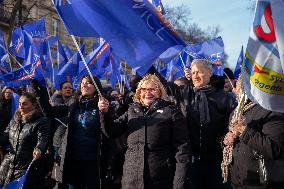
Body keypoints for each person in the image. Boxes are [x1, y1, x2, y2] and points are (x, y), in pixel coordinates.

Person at [149, 59, 236, 189]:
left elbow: (233, 123)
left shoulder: (225, 98)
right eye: (193, 72)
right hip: (191, 160)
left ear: (209, 73)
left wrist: (229, 135)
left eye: (199, 72)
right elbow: (163, 83)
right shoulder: (184, 93)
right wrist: (148, 64)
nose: (195, 75)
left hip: (217, 160)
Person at [99, 74, 191, 189]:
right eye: (144, 89)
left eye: (152, 89)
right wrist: (105, 113)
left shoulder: (172, 112)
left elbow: (182, 150)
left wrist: (179, 183)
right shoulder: (132, 110)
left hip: (160, 180)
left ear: (160, 92)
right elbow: (111, 131)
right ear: (139, 92)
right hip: (131, 180)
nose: (148, 92)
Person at [31, 75, 107, 189]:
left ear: (96, 87)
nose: (84, 85)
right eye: (83, 82)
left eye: (89, 83)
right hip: (73, 160)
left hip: (93, 162)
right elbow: (49, 112)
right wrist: (39, 89)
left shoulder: (103, 105)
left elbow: (109, 131)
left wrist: (105, 112)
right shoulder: (73, 104)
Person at [223, 77, 284, 189]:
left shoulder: (271, 110)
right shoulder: (236, 113)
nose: (234, 91)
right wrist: (226, 140)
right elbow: (232, 142)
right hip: (238, 182)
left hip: (261, 183)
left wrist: (244, 130)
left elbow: (274, 149)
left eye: (237, 87)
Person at [0, 92, 50, 189]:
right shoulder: (14, 120)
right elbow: (5, 137)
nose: (21, 106)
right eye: (19, 103)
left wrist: (39, 149)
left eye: (25, 103)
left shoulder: (41, 121)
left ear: (34, 105)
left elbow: (43, 139)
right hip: (7, 165)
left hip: (26, 168)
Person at [50, 81, 75, 189]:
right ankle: (57, 184)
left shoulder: (75, 103)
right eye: (65, 88)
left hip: (71, 141)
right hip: (57, 141)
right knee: (57, 165)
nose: (68, 89)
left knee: (71, 169)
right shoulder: (54, 103)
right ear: (61, 90)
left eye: (70, 87)